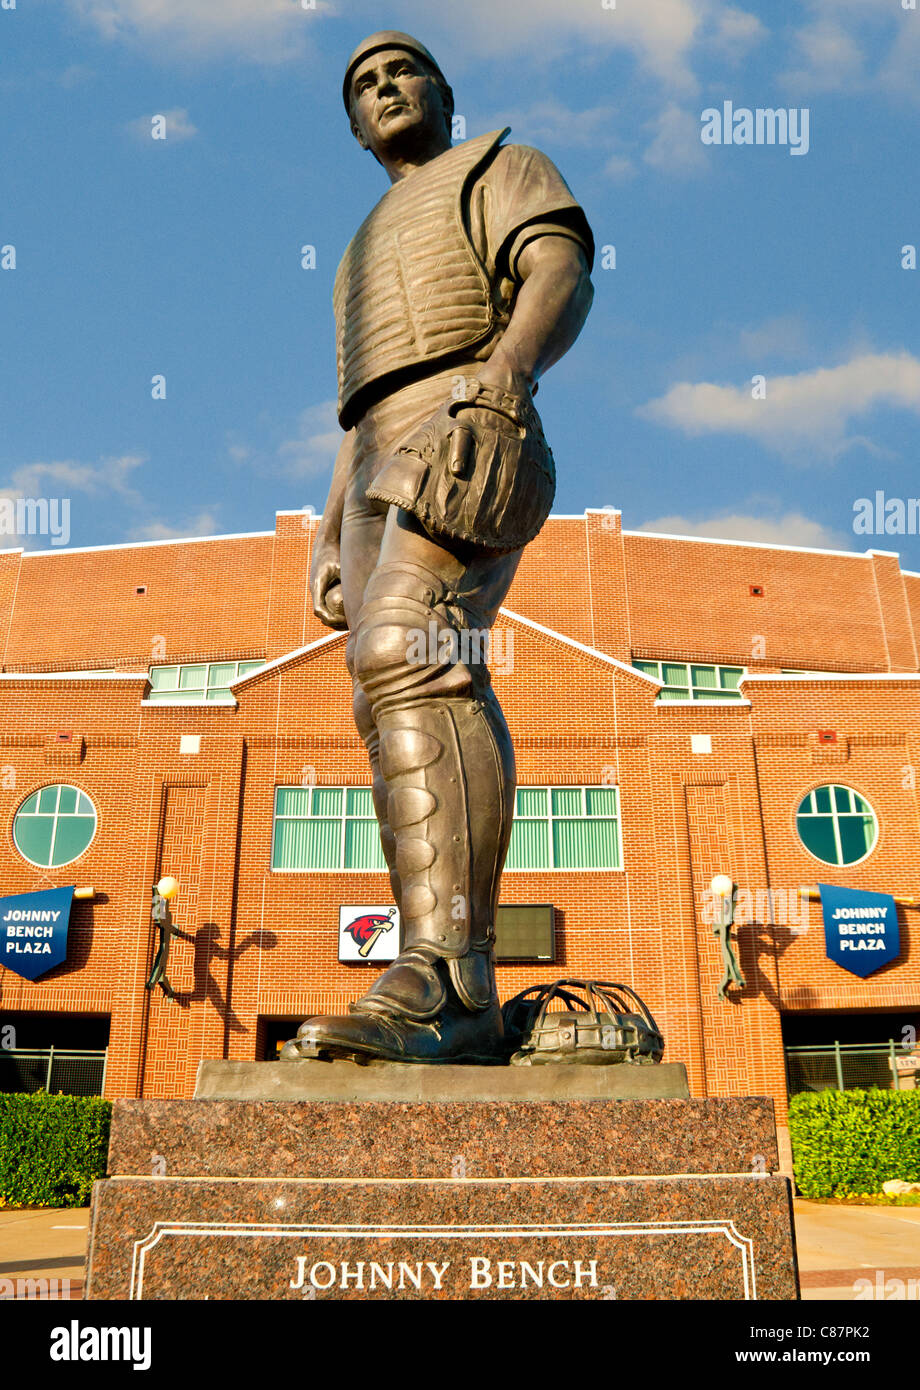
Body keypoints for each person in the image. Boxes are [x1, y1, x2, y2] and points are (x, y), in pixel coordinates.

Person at [282, 30, 594, 1063]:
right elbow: (354, 404)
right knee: (379, 690)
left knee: (415, 652)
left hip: (463, 411)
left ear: (442, 91)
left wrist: (505, 376)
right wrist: (331, 522)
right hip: (374, 448)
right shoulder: (359, 242)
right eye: (363, 83)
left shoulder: (499, 160)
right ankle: (442, 973)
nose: (384, 88)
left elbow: (557, 265)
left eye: (400, 70)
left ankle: (447, 977)